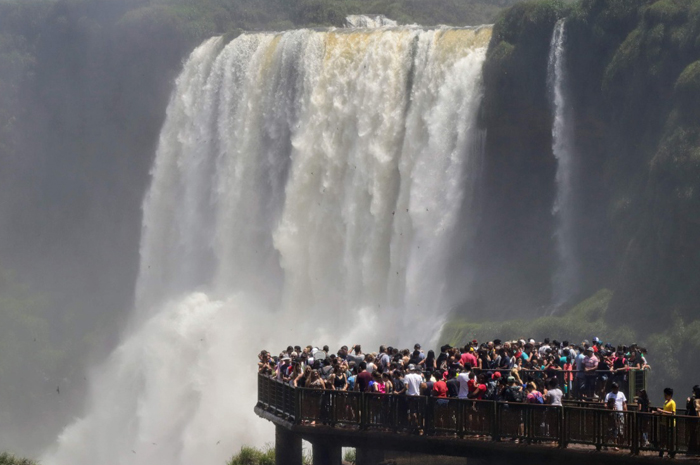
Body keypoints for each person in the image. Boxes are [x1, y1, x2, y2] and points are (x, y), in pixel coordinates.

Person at [656, 387, 676, 457]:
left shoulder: (672, 403)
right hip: (664, 422)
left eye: (666, 395)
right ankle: (662, 452)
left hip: (670, 423)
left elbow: (672, 413)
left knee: (669, 439)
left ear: (669, 395)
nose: (664, 396)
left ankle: (671, 452)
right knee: (663, 438)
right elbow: (664, 412)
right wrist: (657, 412)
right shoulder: (665, 402)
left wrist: (661, 411)